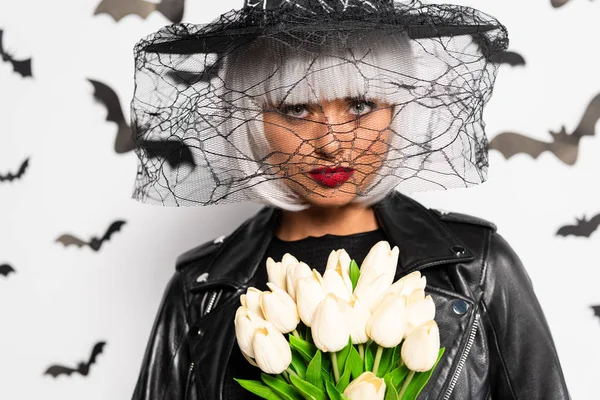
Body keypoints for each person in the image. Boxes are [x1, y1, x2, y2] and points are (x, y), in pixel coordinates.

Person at [130, 1, 570, 399]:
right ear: (251, 121)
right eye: (296, 108)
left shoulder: (475, 269)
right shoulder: (202, 290)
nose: (332, 144)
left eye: (359, 105)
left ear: (398, 111)